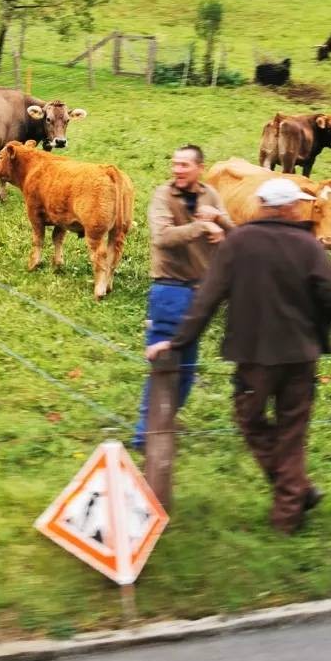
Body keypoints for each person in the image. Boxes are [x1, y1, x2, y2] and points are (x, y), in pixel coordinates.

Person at [146, 177, 331, 533]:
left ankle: (292, 496)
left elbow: (207, 299)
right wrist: (315, 326)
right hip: (300, 356)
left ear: (264, 206)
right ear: (286, 207)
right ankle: (292, 502)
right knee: (292, 431)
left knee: (250, 420)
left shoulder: (239, 242)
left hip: (253, 357)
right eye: (298, 203)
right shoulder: (308, 246)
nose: (301, 208)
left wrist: (176, 342)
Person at [133, 144, 233, 451]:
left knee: (187, 370)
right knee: (164, 365)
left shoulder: (211, 196)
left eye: (184, 165)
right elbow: (162, 237)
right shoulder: (164, 195)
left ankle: (162, 423)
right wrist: (201, 226)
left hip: (200, 292)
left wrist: (220, 223)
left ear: (200, 168)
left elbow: (235, 232)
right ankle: (143, 435)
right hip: (169, 289)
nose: (177, 170)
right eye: (174, 164)